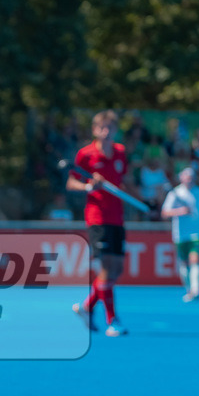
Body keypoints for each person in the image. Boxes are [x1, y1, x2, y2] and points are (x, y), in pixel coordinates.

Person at [67, 110, 130, 337]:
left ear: (115, 130)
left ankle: (86, 307)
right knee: (106, 268)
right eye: (102, 128)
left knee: (117, 269)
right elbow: (71, 182)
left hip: (117, 217)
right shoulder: (86, 154)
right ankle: (112, 320)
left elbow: (122, 181)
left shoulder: (121, 152)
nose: (106, 132)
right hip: (97, 217)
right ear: (94, 130)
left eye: (110, 128)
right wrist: (88, 187)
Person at [161, 167, 199, 302]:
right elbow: (165, 212)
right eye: (187, 177)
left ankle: (196, 290)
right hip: (180, 234)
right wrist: (180, 211)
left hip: (197, 233)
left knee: (195, 259)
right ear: (182, 178)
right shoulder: (175, 193)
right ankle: (189, 289)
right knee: (184, 264)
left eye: (192, 177)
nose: (190, 180)